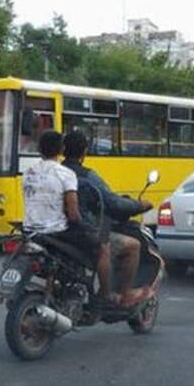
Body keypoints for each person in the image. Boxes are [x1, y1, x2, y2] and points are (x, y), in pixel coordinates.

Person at [62, 130, 154, 308]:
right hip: (81, 231)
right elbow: (113, 203)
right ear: (85, 152)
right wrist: (140, 205)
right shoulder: (87, 175)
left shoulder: (57, 171)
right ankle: (120, 294)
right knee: (132, 245)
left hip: (58, 230)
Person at [23, 129, 112, 301]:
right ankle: (105, 295)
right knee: (103, 247)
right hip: (56, 231)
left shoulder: (29, 172)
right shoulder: (66, 174)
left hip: (30, 230)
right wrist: (87, 227)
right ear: (61, 150)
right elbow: (73, 213)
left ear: (40, 150)